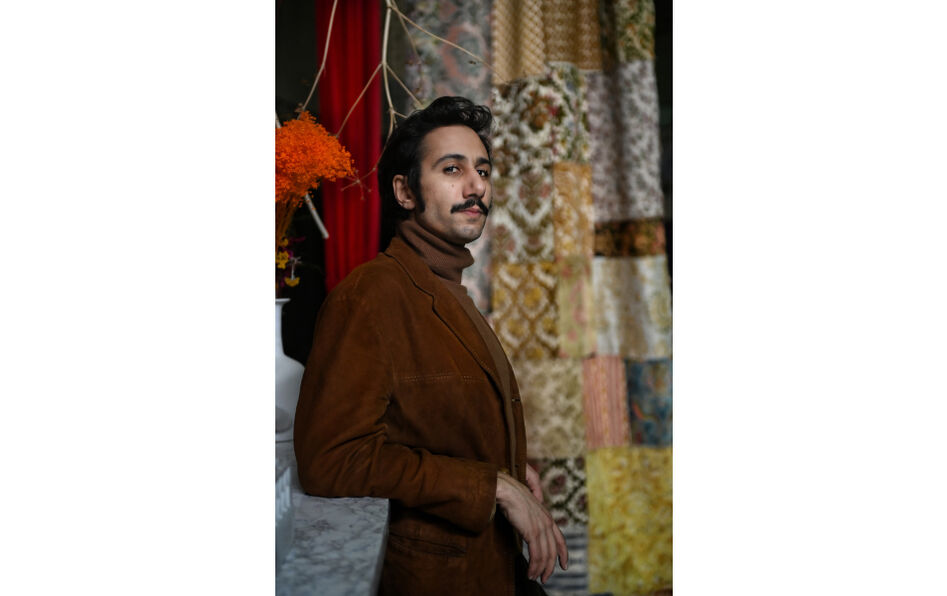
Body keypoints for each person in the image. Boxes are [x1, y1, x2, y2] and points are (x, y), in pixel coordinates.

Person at [293, 96, 568, 595]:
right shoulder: (372, 295)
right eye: (452, 169)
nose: (476, 186)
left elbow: (428, 415)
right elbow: (331, 460)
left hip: (493, 569)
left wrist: (506, 462)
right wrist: (492, 486)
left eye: (483, 170)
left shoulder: (443, 286)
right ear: (405, 191)